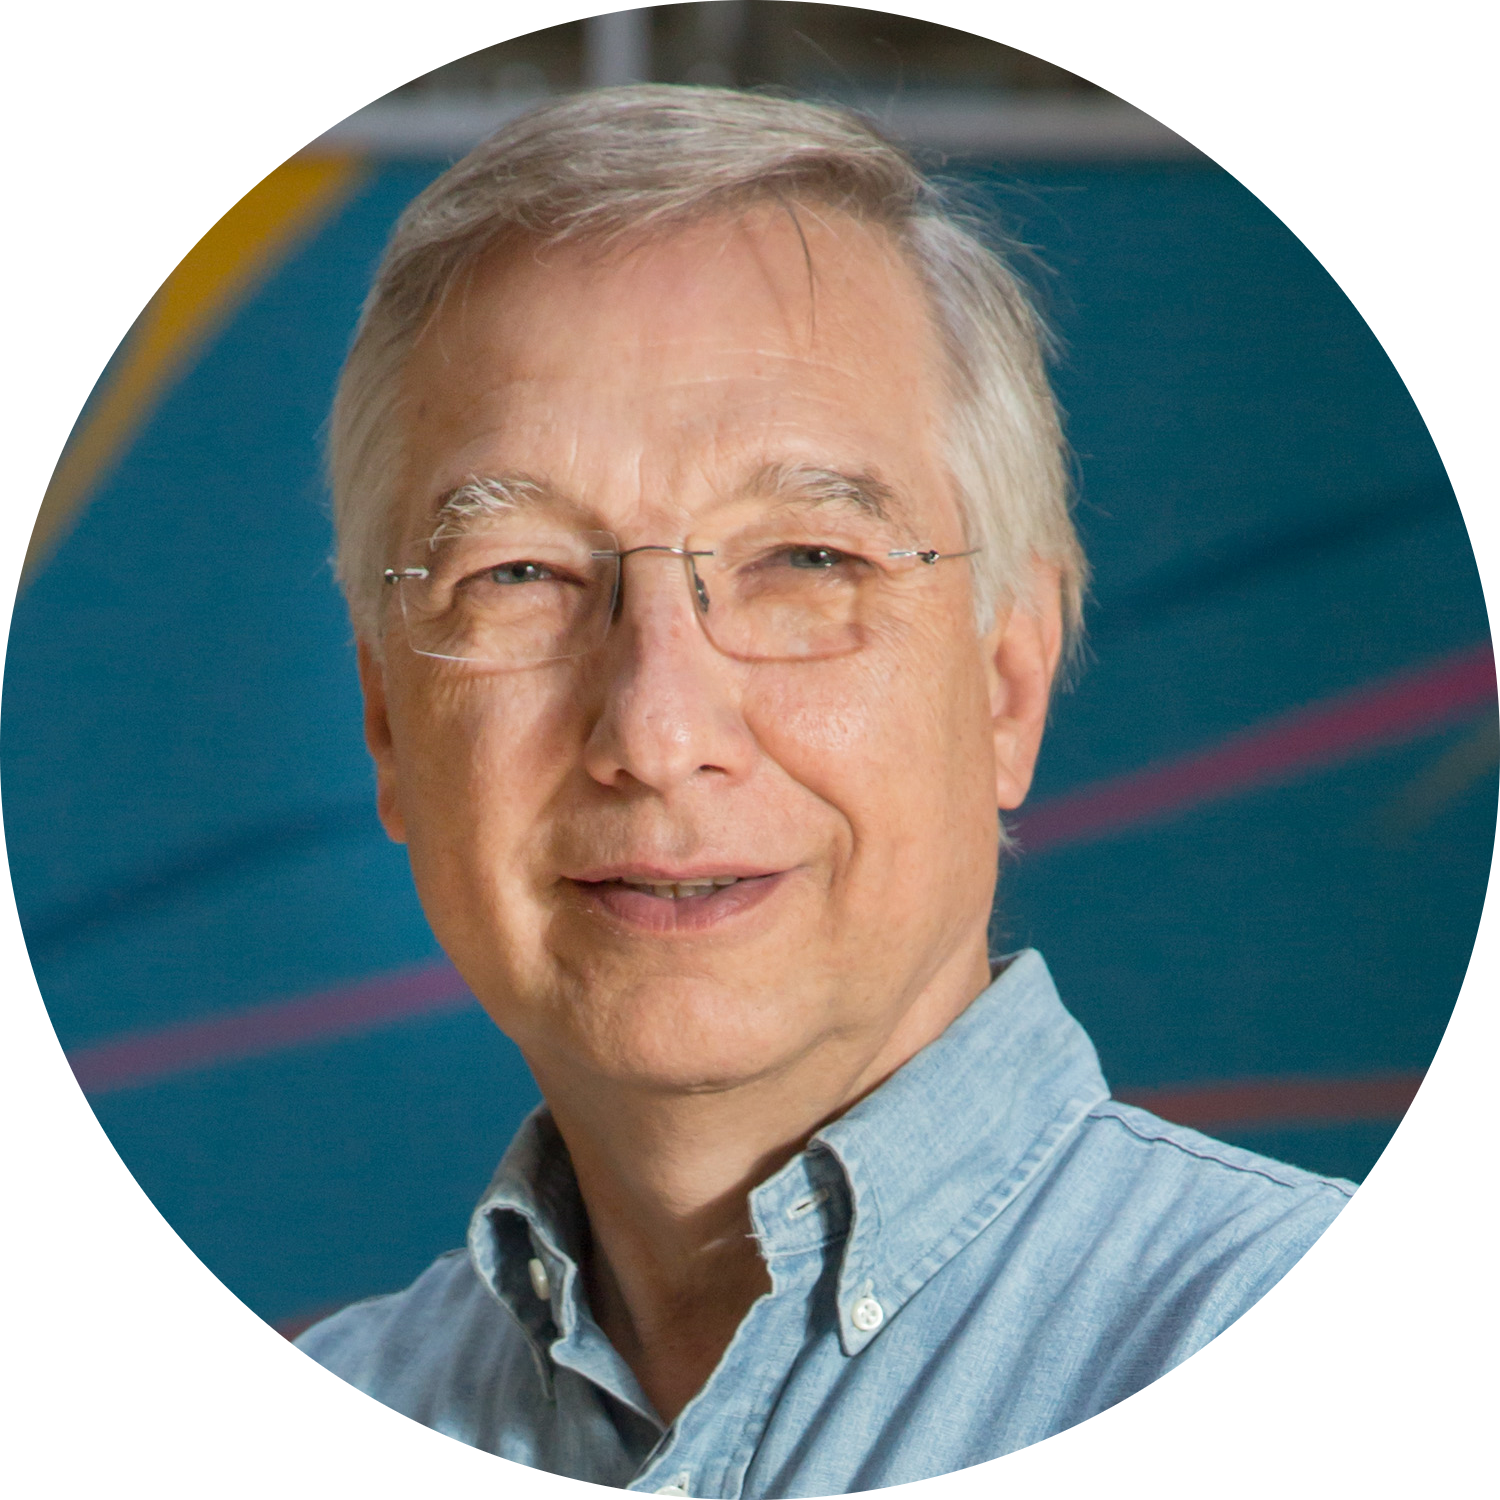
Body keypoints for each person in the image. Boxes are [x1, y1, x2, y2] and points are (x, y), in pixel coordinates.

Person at [92, 86, 1500, 1500]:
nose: (657, 730)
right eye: (521, 573)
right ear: (388, 721)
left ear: (1007, 681)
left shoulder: (1322, 1376)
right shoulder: (235, 1470)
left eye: (806, 561)